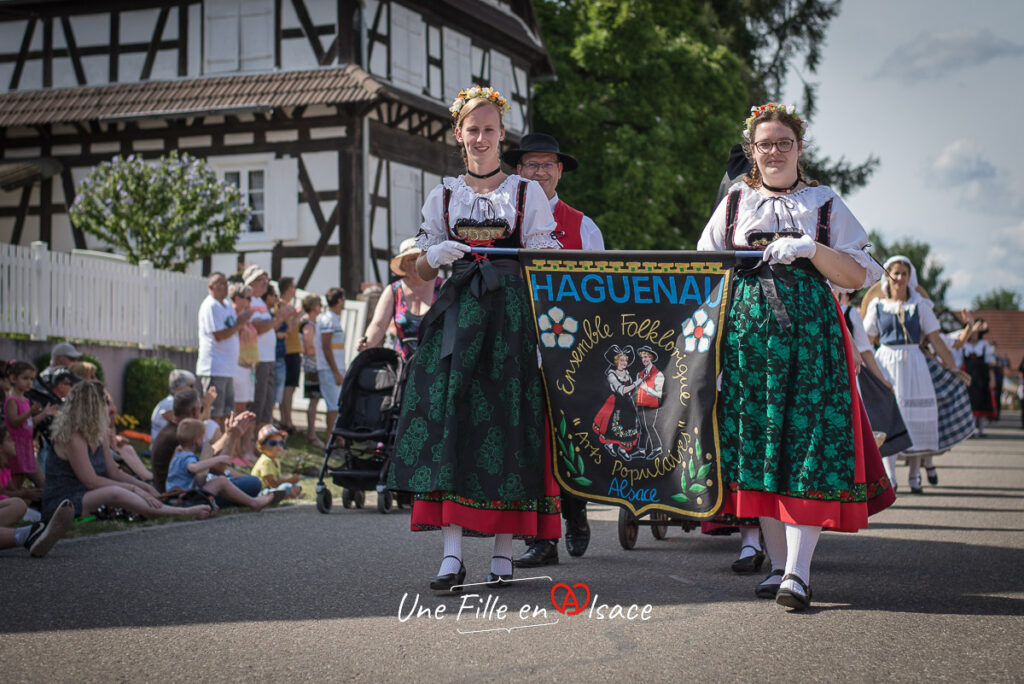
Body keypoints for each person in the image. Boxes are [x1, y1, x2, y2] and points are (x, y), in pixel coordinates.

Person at [697, 103, 892, 610]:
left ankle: (799, 574)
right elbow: (703, 272)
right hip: (748, 347)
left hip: (811, 345)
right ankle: (780, 565)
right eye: (766, 144)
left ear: (799, 148)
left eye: (785, 143)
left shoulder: (824, 203)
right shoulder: (736, 204)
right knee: (760, 448)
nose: (775, 152)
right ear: (752, 152)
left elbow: (857, 274)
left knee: (807, 448)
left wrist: (810, 249)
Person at [388, 84, 560, 592]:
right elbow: (413, 270)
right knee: (452, 425)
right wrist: (433, 257)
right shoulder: (442, 194)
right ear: (459, 134)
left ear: (501, 135)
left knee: (507, 425)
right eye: (473, 129)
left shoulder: (525, 194)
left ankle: (504, 551)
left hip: (509, 321)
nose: (481, 138)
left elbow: (545, 263)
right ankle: (451, 554)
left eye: (489, 129)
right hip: (458, 319)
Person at [503, 132, 604, 565]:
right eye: (530, 165)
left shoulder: (583, 225)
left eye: (547, 165)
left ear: (559, 171)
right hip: (514, 343)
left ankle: (576, 510)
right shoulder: (500, 219)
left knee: (571, 441)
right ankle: (540, 539)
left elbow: (602, 291)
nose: (539, 172)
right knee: (527, 443)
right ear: (518, 171)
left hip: (572, 353)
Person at [41, 381, 211, 521]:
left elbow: (113, 472)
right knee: (116, 492)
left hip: (90, 495)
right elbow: (90, 481)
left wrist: (144, 486)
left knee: (133, 489)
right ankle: (180, 512)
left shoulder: (98, 433)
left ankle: (166, 508)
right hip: (65, 502)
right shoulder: (72, 436)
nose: (109, 407)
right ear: (92, 407)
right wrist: (132, 488)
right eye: (105, 402)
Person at [863, 256, 960, 493]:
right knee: (889, 417)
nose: (899, 278)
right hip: (886, 361)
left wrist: (952, 366)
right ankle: (891, 477)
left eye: (903, 273)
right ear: (888, 277)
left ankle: (915, 476)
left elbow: (935, 339)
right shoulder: (878, 307)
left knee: (918, 419)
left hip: (914, 363)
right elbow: (865, 340)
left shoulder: (920, 307)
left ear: (910, 277)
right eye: (895, 273)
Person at [357, 238, 444, 360]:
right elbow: (378, 325)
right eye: (412, 259)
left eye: (422, 257)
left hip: (437, 364)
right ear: (403, 264)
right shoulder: (394, 290)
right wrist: (367, 343)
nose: (418, 262)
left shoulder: (443, 287)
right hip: (403, 366)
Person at [165, 419, 276, 511]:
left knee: (223, 480)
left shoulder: (178, 455)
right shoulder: (188, 457)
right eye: (203, 438)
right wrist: (218, 459)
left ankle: (251, 500)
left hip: (175, 498)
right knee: (221, 481)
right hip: (187, 499)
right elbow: (193, 468)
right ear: (198, 441)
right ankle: (254, 503)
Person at [1, 423, 73, 556]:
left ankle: (34, 530)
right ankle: (31, 532)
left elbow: (11, 490)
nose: (14, 444)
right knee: (23, 505)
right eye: (9, 440)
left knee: (18, 504)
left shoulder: (5, 467)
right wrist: (24, 493)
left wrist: (25, 493)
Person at [242, 265, 295, 430]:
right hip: (259, 359)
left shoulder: (260, 302)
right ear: (250, 282)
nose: (265, 283)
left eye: (266, 279)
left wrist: (283, 318)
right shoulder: (250, 301)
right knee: (257, 404)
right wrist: (281, 316)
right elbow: (260, 328)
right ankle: (250, 444)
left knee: (266, 404)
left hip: (268, 358)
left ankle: (261, 443)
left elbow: (272, 326)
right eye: (261, 279)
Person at [196, 272, 251, 431]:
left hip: (227, 368)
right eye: (220, 284)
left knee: (227, 413)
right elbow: (219, 335)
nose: (224, 287)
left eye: (226, 283)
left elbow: (233, 331)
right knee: (214, 414)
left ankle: (224, 447)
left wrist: (240, 321)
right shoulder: (210, 305)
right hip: (215, 366)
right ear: (210, 287)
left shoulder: (226, 305)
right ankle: (212, 449)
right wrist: (240, 323)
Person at [5, 361, 58, 488]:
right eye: (25, 378)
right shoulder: (12, 400)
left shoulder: (26, 400)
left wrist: (44, 414)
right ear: (13, 378)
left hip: (26, 448)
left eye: (31, 379)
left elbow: (29, 424)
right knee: (17, 484)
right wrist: (30, 412)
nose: (29, 382)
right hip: (16, 448)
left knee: (40, 482)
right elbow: (14, 422)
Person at [316, 287, 347, 435]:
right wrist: (335, 372)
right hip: (329, 369)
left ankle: (337, 439)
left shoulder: (333, 318)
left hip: (336, 368)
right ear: (339, 300)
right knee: (333, 407)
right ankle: (329, 442)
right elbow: (326, 347)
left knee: (338, 406)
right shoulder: (328, 319)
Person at [961, 322, 998, 434]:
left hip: (981, 378)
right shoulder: (963, 346)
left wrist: (992, 379)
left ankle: (980, 429)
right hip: (968, 377)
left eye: (975, 334)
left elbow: (989, 364)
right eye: (972, 334)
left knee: (980, 402)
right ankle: (970, 430)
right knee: (969, 403)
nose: (973, 336)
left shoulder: (984, 345)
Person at [277, 277, 304, 432]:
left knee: (290, 388)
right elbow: (289, 328)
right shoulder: (284, 306)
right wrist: (299, 316)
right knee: (288, 388)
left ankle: (287, 419)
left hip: (293, 350)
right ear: (288, 289)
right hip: (289, 350)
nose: (295, 290)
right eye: (294, 287)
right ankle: (286, 421)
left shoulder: (288, 306)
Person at [299, 294, 325, 446]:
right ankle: (311, 434)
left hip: (316, 365)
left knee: (315, 400)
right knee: (313, 400)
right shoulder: (308, 325)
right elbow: (309, 348)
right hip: (312, 366)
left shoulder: (313, 323)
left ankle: (312, 433)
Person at [250, 425, 303, 498]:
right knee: (286, 487)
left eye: (281, 443)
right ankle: (291, 495)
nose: (279, 446)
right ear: (262, 447)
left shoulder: (275, 460)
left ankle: (290, 494)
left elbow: (278, 479)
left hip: (271, 489)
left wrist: (289, 478)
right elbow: (272, 484)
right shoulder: (266, 461)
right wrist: (289, 480)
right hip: (261, 491)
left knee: (295, 486)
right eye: (273, 443)